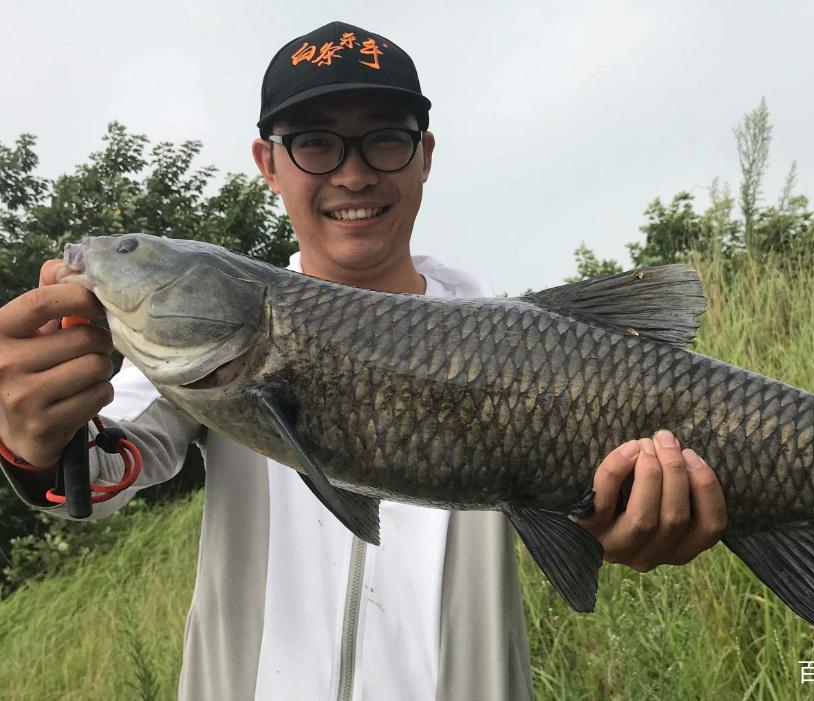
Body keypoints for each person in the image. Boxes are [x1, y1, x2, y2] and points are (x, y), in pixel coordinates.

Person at [0, 20, 727, 700]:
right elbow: (99, 471)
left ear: (425, 155)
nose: (353, 174)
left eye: (384, 140)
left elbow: (590, 510)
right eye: (315, 144)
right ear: (268, 163)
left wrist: (631, 516)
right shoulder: (215, 341)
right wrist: (36, 438)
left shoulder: (518, 340)